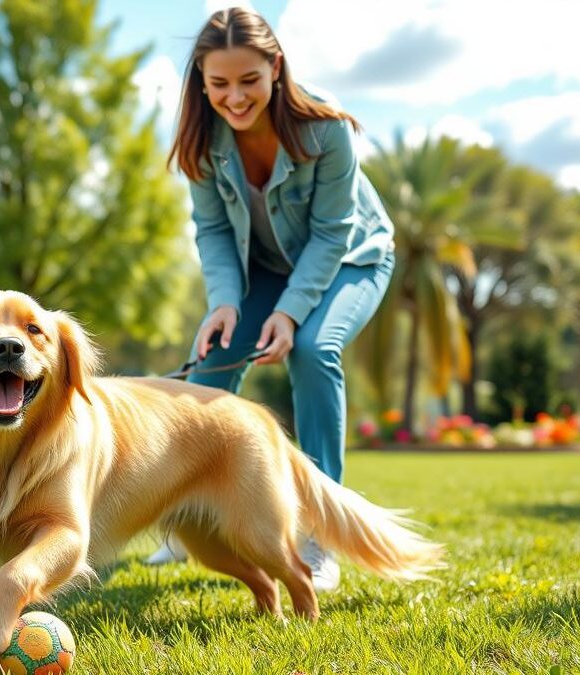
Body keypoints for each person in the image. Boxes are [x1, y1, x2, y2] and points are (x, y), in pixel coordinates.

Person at [144, 7, 396, 593]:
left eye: (249, 80)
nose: (235, 97)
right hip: (261, 272)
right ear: (202, 83)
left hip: (351, 261)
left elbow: (334, 233)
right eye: (220, 84)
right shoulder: (202, 142)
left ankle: (319, 533)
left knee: (313, 349)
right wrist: (225, 304)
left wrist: (287, 314)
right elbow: (211, 232)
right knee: (206, 373)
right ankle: (190, 522)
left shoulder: (327, 128)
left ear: (275, 68)